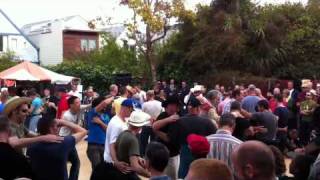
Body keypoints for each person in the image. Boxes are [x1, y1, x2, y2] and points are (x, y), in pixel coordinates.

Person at [91, 111, 151, 180]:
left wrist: (137, 158)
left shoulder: (123, 134)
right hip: (127, 175)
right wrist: (151, 175)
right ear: (140, 126)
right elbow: (135, 167)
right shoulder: (133, 139)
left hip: (119, 173)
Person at [167, 97, 216, 178]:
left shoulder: (179, 121)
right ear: (198, 108)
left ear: (188, 108)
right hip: (201, 154)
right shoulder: (207, 122)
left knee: (184, 174)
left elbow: (171, 138)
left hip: (184, 153)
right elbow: (214, 137)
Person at [27, 115, 87, 180]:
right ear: (51, 128)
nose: (59, 128)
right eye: (57, 126)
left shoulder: (31, 146)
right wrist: (64, 122)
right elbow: (83, 131)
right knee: (76, 162)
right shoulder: (63, 143)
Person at [101, 99, 134, 174]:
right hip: (112, 162)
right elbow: (112, 144)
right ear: (125, 108)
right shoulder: (116, 123)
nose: (131, 113)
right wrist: (116, 162)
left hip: (115, 160)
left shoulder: (122, 120)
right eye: (131, 110)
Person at [152, 95, 181, 180]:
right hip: (160, 154)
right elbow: (155, 125)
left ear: (177, 107)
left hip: (172, 155)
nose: (170, 108)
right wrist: (168, 119)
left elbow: (168, 139)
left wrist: (156, 131)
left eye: (173, 105)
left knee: (172, 177)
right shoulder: (163, 115)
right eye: (169, 105)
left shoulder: (178, 119)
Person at [59, 96, 87, 180]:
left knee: (75, 162)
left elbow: (89, 105)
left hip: (70, 140)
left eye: (80, 102)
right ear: (71, 105)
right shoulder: (67, 116)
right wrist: (86, 133)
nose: (79, 104)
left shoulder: (79, 108)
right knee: (65, 163)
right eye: (77, 103)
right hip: (64, 140)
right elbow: (75, 131)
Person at [0, 115, 34, 180]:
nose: (27, 113)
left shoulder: (21, 126)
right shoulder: (20, 159)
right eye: (24, 111)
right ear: (10, 132)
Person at [87, 96, 114, 170]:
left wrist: (100, 123)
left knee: (103, 170)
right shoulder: (92, 113)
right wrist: (113, 97)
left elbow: (108, 130)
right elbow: (104, 102)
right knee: (97, 169)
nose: (105, 106)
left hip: (104, 146)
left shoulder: (106, 116)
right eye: (103, 105)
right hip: (93, 146)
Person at [140, 90, 162, 155]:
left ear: (147, 96)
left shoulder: (144, 104)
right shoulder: (160, 103)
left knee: (143, 143)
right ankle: (153, 155)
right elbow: (162, 113)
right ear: (153, 95)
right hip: (156, 125)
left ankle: (143, 155)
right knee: (154, 142)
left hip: (146, 125)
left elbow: (142, 114)